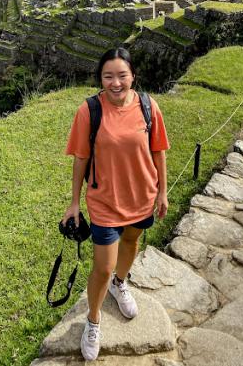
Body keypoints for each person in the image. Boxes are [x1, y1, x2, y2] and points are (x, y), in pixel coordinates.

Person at [62, 47, 170, 361]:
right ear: (101, 79)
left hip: (141, 196)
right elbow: (81, 157)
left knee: (132, 241)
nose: (116, 82)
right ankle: (93, 319)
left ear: (133, 76)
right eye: (108, 76)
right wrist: (73, 203)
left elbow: (159, 151)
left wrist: (162, 192)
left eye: (122, 75)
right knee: (102, 267)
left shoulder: (149, 107)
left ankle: (120, 284)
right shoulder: (89, 111)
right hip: (104, 201)